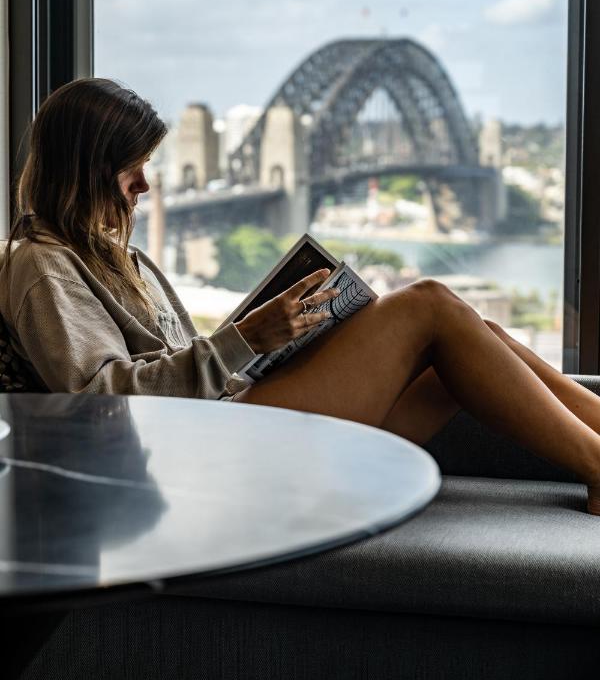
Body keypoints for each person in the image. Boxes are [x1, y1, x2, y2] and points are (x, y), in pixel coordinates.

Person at [2, 77, 600, 516]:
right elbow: (101, 398)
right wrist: (246, 340)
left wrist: (289, 339)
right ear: (84, 169)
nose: (146, 185)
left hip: (224, 425)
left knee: (471, 346)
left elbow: (190, 367)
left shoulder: (114, 255)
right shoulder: (43, 265)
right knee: (429, 305)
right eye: (131, 168)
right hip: (198, 456)